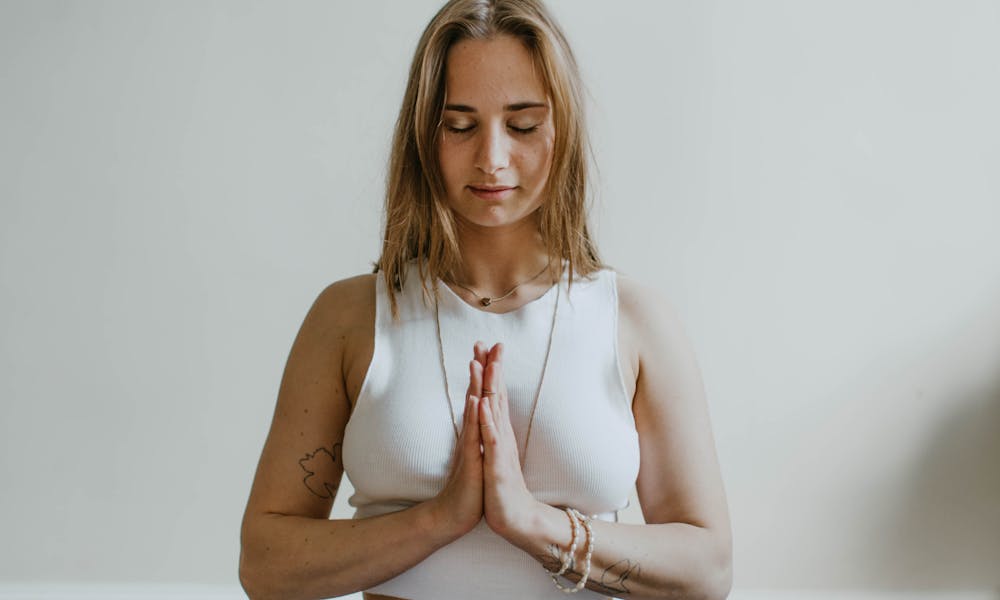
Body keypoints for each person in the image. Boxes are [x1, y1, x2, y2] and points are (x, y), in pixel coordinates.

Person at [239, 1, 733, 599]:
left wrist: (530, 523)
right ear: (424, 133)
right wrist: (439, 518)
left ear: (564, 129)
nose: (492, 158)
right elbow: (266, 565)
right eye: (459, 125)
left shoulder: (634, 321)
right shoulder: (348, 319)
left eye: (523, 124)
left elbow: (707, 570)